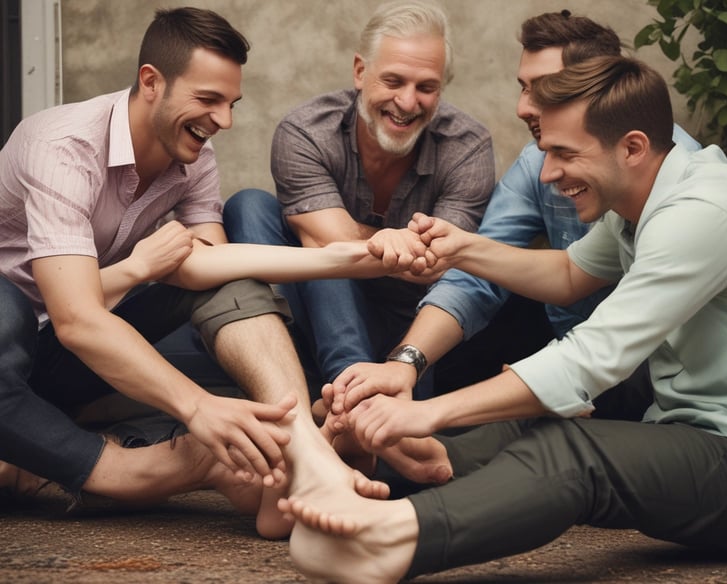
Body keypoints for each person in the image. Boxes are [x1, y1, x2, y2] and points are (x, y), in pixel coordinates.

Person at [277, 55, 727, 582]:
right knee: (551, 408)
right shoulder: (645, 200)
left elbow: (588, 360)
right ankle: (431, 458)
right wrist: (464, 249)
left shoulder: (702, 212)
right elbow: (567, 273)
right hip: (689, 431)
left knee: (575, 446)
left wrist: (429, 410)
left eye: (562, 153)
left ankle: (386, 536)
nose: (549, 172)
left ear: (632, 147)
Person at [0, 6, 420, 535]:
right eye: (208, 100)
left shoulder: (193, 155)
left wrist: (351, 257)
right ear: (151, 82)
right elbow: (76, 318)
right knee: (8, 309)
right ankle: (128, 460)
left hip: (74, 357)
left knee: (228, 294)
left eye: (231, 102)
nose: (223, 120)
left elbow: (212, 268)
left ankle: (305, 455)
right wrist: (197, 406)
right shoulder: (64, 148)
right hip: (15, 348)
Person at [326, 10, 700, 417]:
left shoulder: (681, 186)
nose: (523, 107)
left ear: (599, 87)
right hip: (571, 357)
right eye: (523, 88)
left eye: (544, 89)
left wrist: (540, 381)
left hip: (656, 376)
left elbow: (612, 346)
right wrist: (406, 362)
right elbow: (506, 276)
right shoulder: (533, 164)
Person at [223, 0, 537, 402]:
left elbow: (435, 263)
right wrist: (390, 239)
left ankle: (344, 399)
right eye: (393, 81)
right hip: (309, 320)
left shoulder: (467, 146)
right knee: (250, 207)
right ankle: (350, 394)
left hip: (406, 339)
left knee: (330, 246)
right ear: (360, 71)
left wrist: (367, 240)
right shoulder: (305, 131)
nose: (408, 102)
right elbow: (332, 247)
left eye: (426, 87)